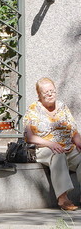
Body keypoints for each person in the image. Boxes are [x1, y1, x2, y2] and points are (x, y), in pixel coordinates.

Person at [23, 77, 81, 211]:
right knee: (58, 154)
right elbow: (30, 137)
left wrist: (79, 143)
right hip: (44, 148)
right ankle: (63, 198)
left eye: (52, 91)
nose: (50, 94)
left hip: (67, 146)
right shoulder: (33, 110)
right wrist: (50, 144)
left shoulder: (62, 107)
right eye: (45, 92)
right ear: (39, 95)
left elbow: (74, 131)